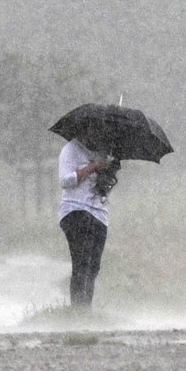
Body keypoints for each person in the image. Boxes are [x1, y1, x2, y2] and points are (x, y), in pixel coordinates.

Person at [57, 127, 120, 309]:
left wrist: (109, 172)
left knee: (93, 267)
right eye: (92, 131)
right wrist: (92, 167)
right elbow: (65, 180)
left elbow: (103, 187)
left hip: (99, 214)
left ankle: (86, 309)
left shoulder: (103, 151)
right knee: (81, 263)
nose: (96, 134)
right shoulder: (70, 150)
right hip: (76, 212)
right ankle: (78, 309)